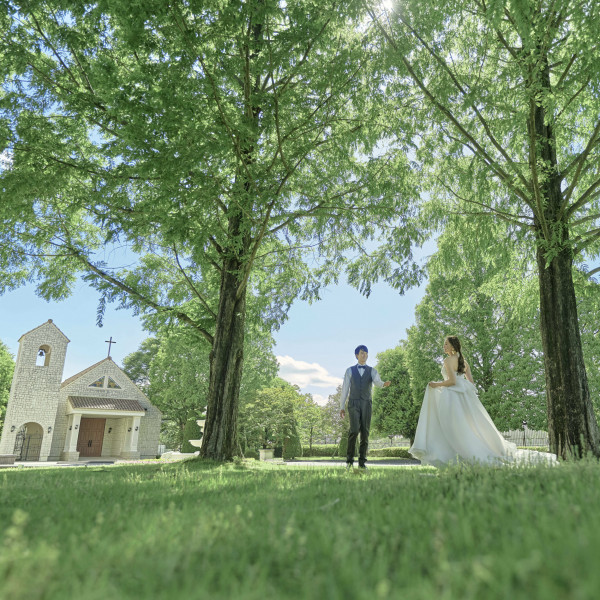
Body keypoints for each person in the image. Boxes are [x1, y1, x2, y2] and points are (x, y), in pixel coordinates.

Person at [409, 336, 557, 467]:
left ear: (453, 346)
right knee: (467, 427)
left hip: (452, 399)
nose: (444, 346)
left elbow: (452, 381)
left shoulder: (448, 360)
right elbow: (471, 383)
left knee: (453, 428)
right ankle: (466, 452)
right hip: (465, 398)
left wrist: (436, 384)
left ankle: (459, 454)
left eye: (446, 344)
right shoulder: (464, 362)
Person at [340, 345, 391, 469]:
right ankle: (349, 461)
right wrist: (341, 406)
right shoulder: (349, 370)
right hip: (353, 403)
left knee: (365, 432)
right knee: (353, 430)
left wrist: (384, 384)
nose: (364, 355)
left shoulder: (372, 371)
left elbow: (378, 382)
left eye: (366, 353)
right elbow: (345, 389)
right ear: (357, 355)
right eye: (362, 353)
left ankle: (362, 463)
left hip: (366, 403)